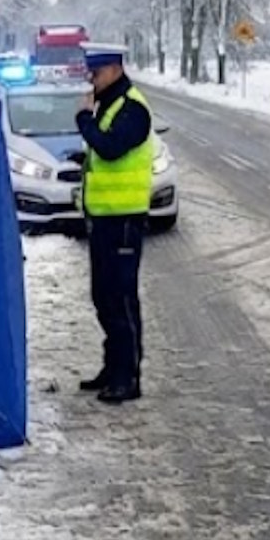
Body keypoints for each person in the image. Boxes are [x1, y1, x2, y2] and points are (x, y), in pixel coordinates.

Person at [74, 44, 154, 404]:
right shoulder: (109, 104)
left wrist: (84, 122)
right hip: (103, 216)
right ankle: (112, 366)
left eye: (97, 72)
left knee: (121, 298)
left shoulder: (133, 107)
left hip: (124, 218)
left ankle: (128, 376)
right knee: (103, 296)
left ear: (115, 69)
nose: (92, 79)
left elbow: (110, 148)